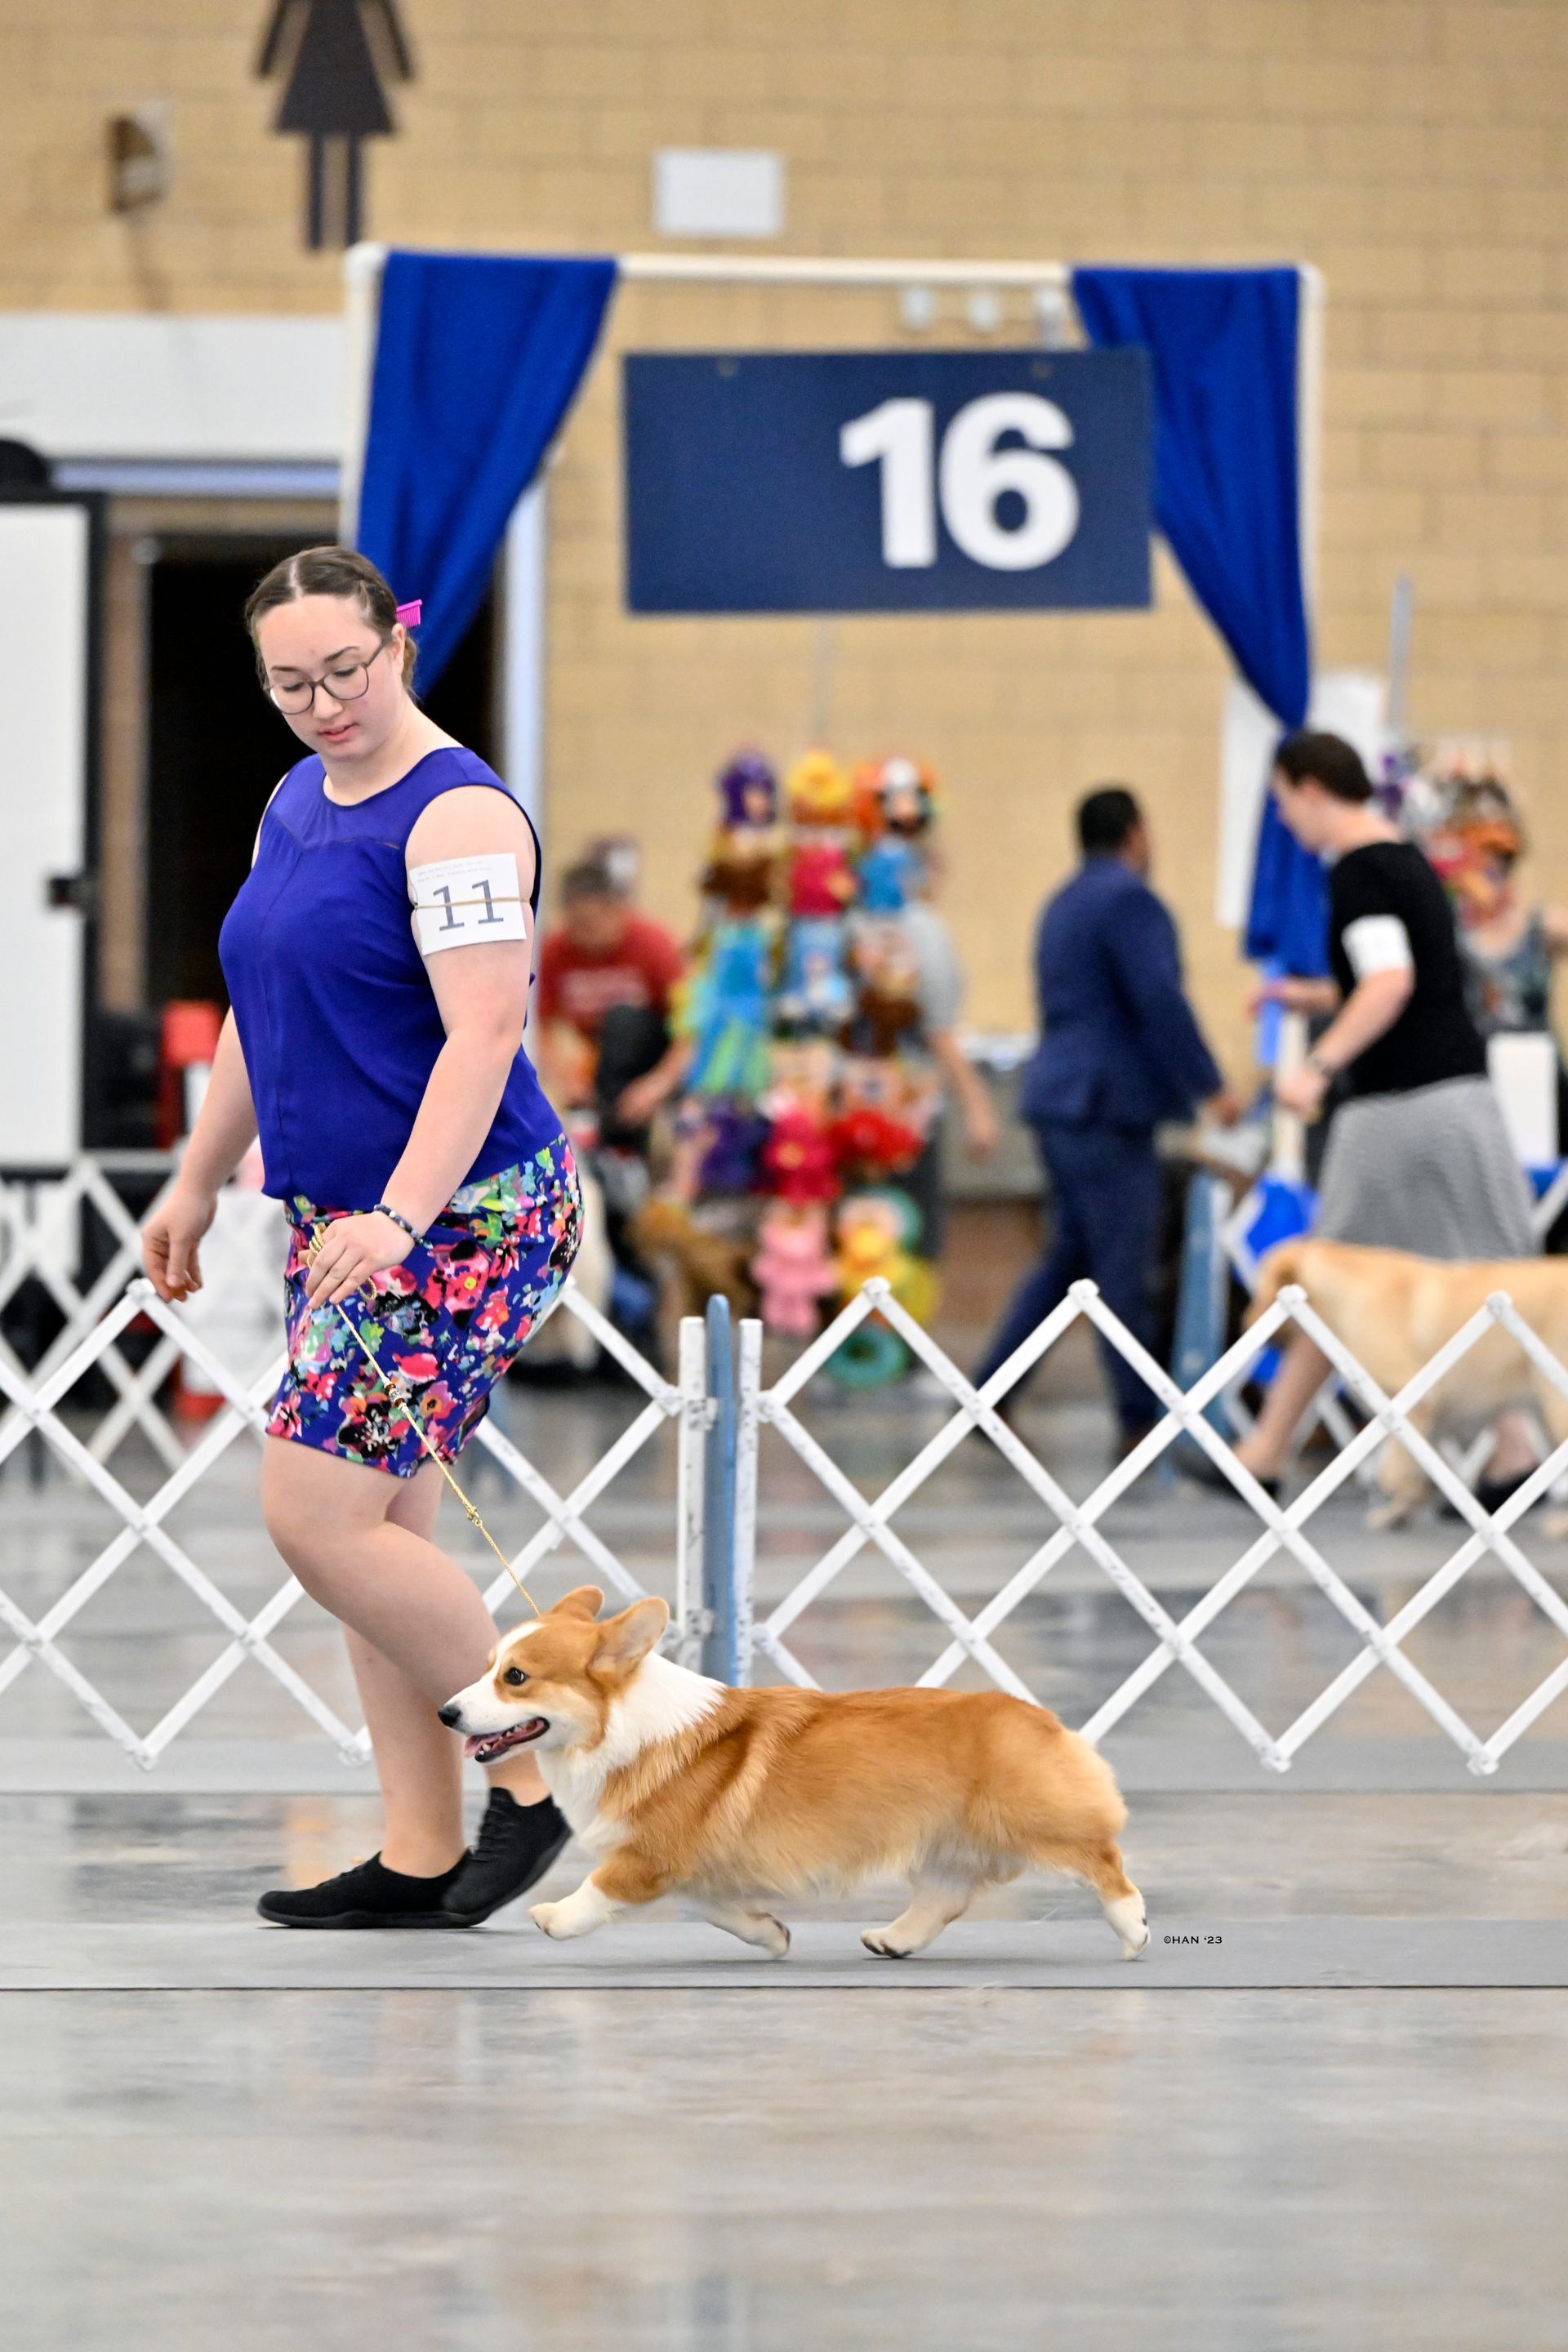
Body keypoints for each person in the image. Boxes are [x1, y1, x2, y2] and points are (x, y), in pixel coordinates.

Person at [141, 546, 582, 1931]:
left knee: (312, 1513)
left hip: (464, 1217)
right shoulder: (294, 798)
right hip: (344, 1217)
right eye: (290, 685)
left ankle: (536, 1777)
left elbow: (485, 1034)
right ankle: (416, 1853)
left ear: (401, 640)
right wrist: (198, 1179)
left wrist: (402, 1216)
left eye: (346, 670)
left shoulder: (458, 818)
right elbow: (256, 1012)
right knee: (373, 1531)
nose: (324, 703)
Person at [1232, 730, 1537, 1495]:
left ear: (1309, 788)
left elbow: (1390, 983)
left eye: (1281, 802)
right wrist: (1305, 996)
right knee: (1491, 1277)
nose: (1285, 820)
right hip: (1458, 1098)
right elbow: (1407, 977)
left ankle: (1266, 1450)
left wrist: (1318, 1064)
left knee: (1328, 1272)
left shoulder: (1358, 873)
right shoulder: (1407, 862)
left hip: (1400, 1107)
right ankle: (1510, 1452)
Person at [973, 786, 1239, 1446]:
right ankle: (1139, 1416)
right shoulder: (1131, 901)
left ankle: (990, 1393)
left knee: (1072, 1255)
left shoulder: (1060, 904)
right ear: (1136, 834)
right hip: (1105, 1107)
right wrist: (1209, 1084)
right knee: (1122, 1262)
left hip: (1059, 1099)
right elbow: (1158, 998)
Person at [534, 858, 689, 1146]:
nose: (583, 935)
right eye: (575, 925)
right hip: (602, 1061)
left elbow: (691, 1029)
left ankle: (622, 1143)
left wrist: (657, 1085)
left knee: (621, 1021)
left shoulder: (653, 943)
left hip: (655, 1054)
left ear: (617, 909)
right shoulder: (556, 952)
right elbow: (537, 1027)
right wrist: (566, 1080)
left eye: (592, 923)